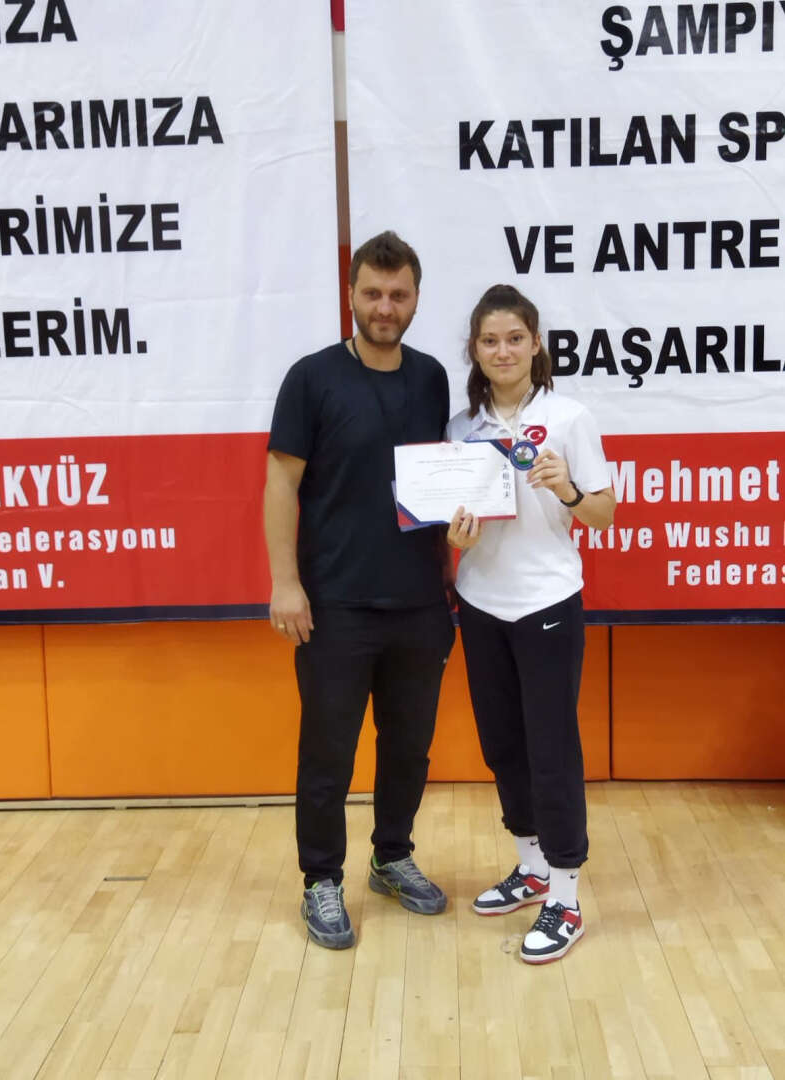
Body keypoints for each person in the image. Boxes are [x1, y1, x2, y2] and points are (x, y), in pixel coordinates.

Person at [263, 231, 455, 949]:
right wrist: (286, 583)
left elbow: (444, 480)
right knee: (328, 754)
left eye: (398, 295)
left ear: (416, 299)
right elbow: (280, 483)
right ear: (350, 295)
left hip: (421, 604)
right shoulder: (311, 377)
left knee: (409, 749)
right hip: (335, 605)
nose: (384, 306)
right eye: (372, 293)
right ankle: (321, 878)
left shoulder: (433, 377)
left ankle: (391, 856)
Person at [446, 284, 615, 964]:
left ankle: (566, 898)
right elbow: (451, 516)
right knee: (502, 745)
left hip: (547, 601)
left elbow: (603, 513)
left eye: (515, 338)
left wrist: (567, 488)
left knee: (552, 749)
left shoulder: (569, 417)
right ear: (475, 349)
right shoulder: (461, 427)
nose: (503, 350)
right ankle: (532, 866)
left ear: (536, 343)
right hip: (481, 600)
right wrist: (454, 536)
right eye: (490, 340)